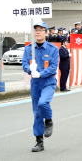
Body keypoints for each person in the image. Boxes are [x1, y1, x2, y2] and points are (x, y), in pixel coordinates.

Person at [22, 22, 59, 152]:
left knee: (43, 103)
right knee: (37, 113)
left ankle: (48, 120)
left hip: (48, 82)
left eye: (41, 30)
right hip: (35, 85)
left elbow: (53, 67)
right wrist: (30, 70)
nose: (38, 32)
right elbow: (24, 64)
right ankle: (39, 142)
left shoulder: (52, 49)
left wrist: (40, 73)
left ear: (46, 32)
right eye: (36, 30)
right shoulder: (29, 49)